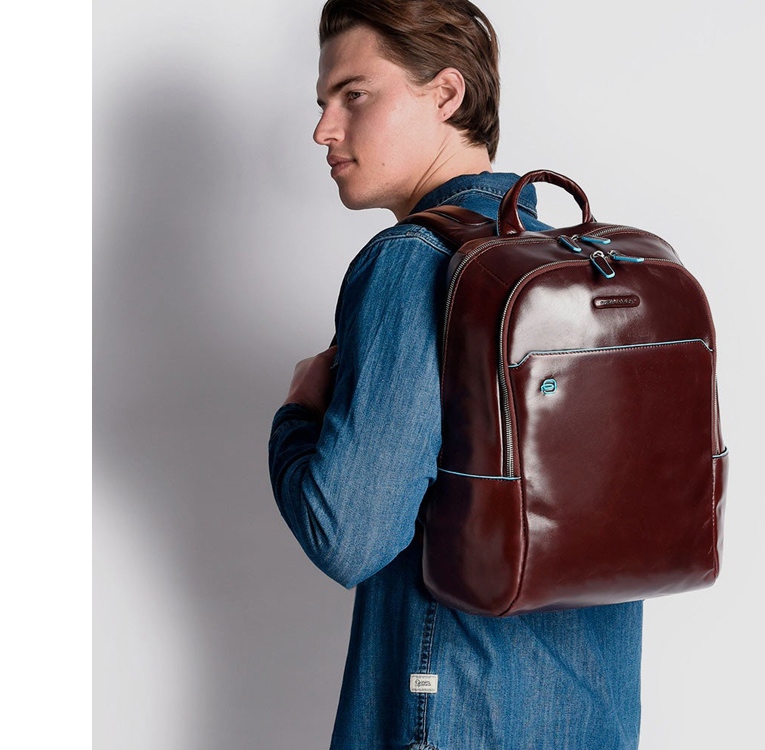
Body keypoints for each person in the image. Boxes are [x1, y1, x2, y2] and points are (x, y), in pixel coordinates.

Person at [268, 1, 643, 747]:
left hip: (449, 711)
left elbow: (348, 535)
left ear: (446, 94)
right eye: (321, 103)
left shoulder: (414, 262)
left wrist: (298, 417)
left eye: (354, 95)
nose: (324, 130)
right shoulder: (583, 263)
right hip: (593, 715)